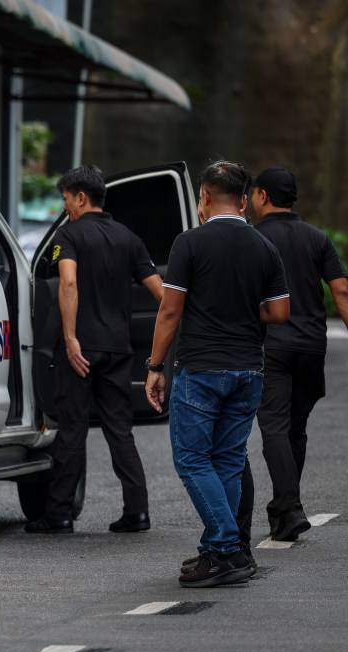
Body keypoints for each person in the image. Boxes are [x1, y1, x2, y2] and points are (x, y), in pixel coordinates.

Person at [145, 160, 289, 588]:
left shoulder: (189, 243)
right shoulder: (264, 247)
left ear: (203, 198)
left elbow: (170, 310)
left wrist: (155, 366)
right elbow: (279, 311)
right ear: (245, 200)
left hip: (202, 369)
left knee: (191, 460)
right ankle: (217, 552)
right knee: (227, 459)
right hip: (249, 369)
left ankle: (225, 547)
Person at [25, 165, 164, 535]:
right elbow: (162, 294)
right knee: (120, 430)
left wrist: (70, 338)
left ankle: (59, 514)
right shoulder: (128, 238)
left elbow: (67, 283)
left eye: (66, 198)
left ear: (81, 197)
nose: (66, 205)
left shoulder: (68, 235)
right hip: (118, 349)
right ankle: (137, 512)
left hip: (81, 352)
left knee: (72, 430)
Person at [250, 167, 348, 540]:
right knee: (296, 428)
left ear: (261, 196)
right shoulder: (317, 238)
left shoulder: (254, 239)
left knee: (273, 426)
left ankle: (289, 508)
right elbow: (341, 292)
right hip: (310, 345)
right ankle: (283, 506)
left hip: (271, 344)